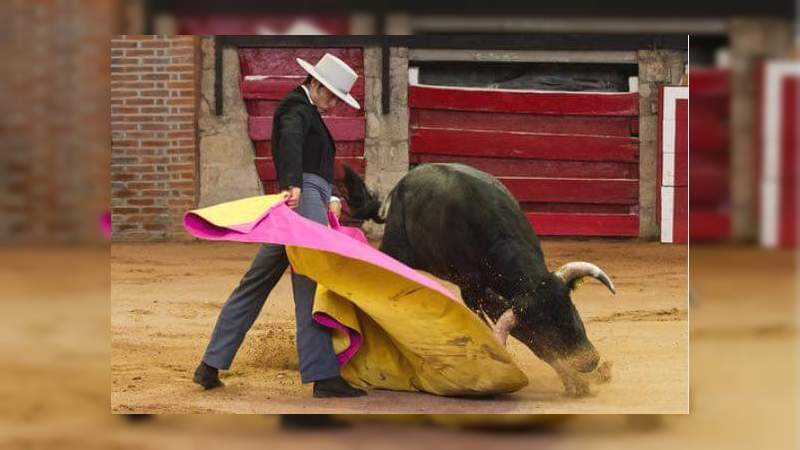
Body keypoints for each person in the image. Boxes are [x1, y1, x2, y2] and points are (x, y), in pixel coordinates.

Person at [193, 53, 366, 398]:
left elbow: (310, 157)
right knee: (310, 284)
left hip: (302, 200)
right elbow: (289, 141)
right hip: (301, 202)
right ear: (315, 84)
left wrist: (329, 192)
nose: (333, 103)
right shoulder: (294, 108)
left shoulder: (307, 110)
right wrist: (293, 184)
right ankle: (323, 376)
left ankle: (210, 364)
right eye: (331, 95)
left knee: (255, 282)